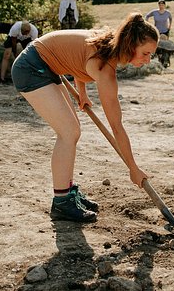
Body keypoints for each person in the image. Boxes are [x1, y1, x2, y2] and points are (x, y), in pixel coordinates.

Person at [11, 13, 159, 222]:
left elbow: (79, 58)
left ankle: (68, 191)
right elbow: (116, 127)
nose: (147, 60)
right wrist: (133, 169)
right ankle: (62, 202)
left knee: (72, 130)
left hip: (46, 65)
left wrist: (83, 91)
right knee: (68, 132)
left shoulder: (108, 42)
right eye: (145, 53)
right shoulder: (104, 68)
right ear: (130, 44)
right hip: (32, 68)